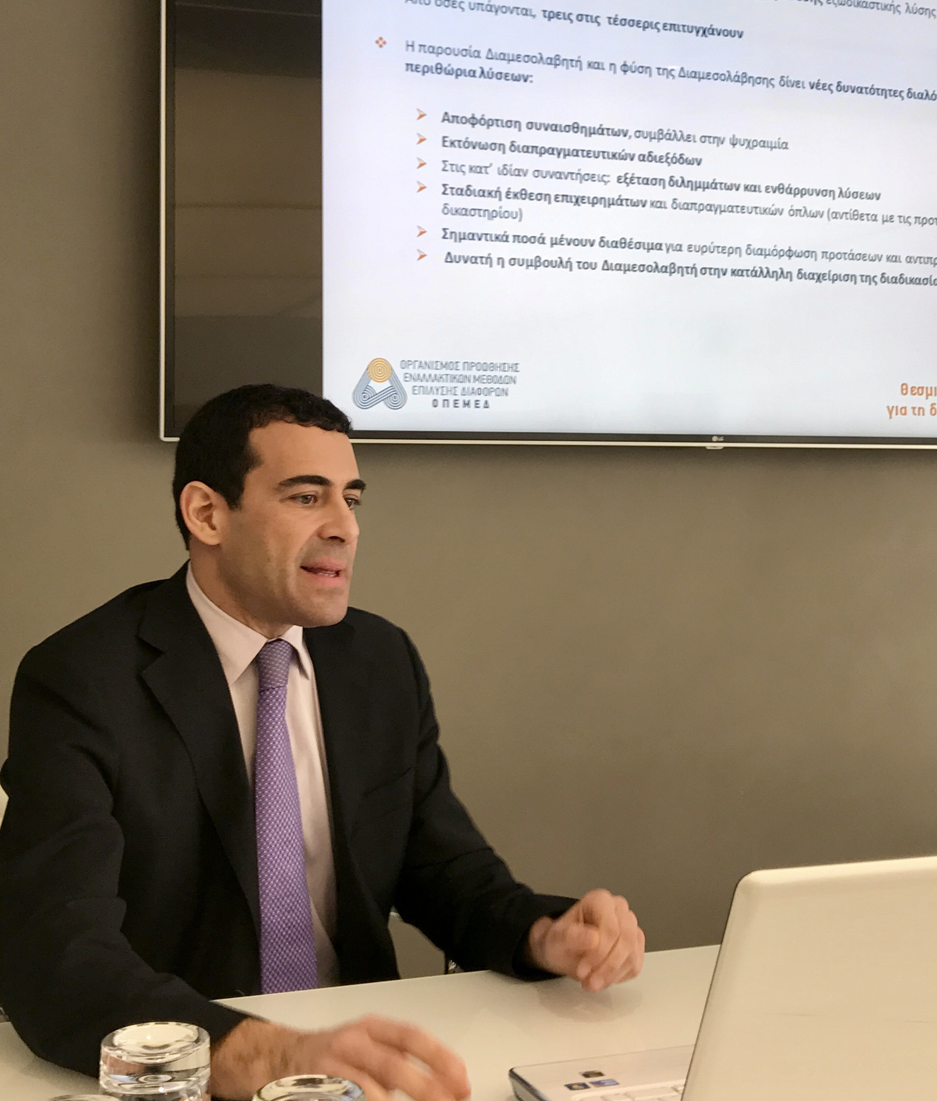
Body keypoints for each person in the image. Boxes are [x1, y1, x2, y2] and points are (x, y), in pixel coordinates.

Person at [0, 386, 644, 1100]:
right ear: (207, 513)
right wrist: (261, 1052)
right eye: (307, 497)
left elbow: (444, 871)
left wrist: (541, 932)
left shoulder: (380, 660)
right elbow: (54, 950)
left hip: (360, 1066)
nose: (345, 527)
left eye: (352, 499)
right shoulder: (82, 679)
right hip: (196, 1066)